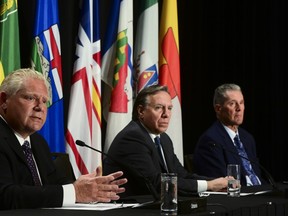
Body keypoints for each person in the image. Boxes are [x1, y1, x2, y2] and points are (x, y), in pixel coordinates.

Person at [0, 68, 127, 210]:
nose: (40, 107)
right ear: (4, 100)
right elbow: (5, 195)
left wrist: (86, 187)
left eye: (44, 101)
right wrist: (75, 192)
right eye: (30, 98)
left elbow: (54, 183)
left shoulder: (37, 142)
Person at [103, 85, 228, 198]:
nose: (166, 114)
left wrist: (219, 181)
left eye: (169, 108)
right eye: (159, 108)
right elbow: (156, 184)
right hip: (129, 209)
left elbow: (182, 175)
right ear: (141, 111)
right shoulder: (132, 138)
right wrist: (209, 185)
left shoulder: (163, 139)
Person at [193, 83, 263, 186]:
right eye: (232, 104)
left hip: (260, 193)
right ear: (218, 109)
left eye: (241, 102)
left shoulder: (247, 138)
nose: (239, 108)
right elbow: (220, 184)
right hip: (238, 197)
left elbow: (257, 175)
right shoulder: (210, 141)